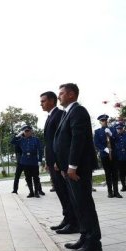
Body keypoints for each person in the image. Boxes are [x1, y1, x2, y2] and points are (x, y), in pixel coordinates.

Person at [53, 83, 102, 251]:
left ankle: (93, 242)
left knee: (84, 203)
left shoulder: (79, 111)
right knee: (77, 204)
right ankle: (85, 236)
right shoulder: (68, 113)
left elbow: (77, 140)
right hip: (70, 168)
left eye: (62, 94)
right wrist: (60, 162)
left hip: (78, 168)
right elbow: (63, 141)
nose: (59, 97)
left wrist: (72, 166)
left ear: (72, 95)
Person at [40, 91, 78, 234]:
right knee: (60, 192)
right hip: (52, 161)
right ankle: (67, 218)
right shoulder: (51, 116)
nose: (41, 104)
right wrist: (48, 161)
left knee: (65, 192)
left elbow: (61, 142)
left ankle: (73, 222)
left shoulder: (59, 115)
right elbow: (49, 142)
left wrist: (57, 161)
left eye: (43, 101)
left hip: (58, 162)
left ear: (51, 101)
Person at [11, 125, 43, 198]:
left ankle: (37, 192)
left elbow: (40, 150)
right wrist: (18, 135)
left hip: (34, 160)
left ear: (31, 131)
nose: (27, 132)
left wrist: (40, 160)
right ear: (23, 132)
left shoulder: (36, 139)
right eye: (25, 131)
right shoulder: (21, 140)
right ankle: (31, 192)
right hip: (24, 161)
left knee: (36, 177)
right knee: (28, 178)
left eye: (28, 131)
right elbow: (12, 142)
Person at [94, 114, 122, 198]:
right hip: (104, 155)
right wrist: (104, 149)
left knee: (115, 173)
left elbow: (117, 140)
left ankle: (116, 192)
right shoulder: (97, 131)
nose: (104, 122)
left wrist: (111, 134)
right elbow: (96, 143)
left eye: (105, 120)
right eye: (102, 121)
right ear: (100, 122)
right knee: (108, 173)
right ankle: (110, 192)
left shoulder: (113, 129)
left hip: (114, 154)